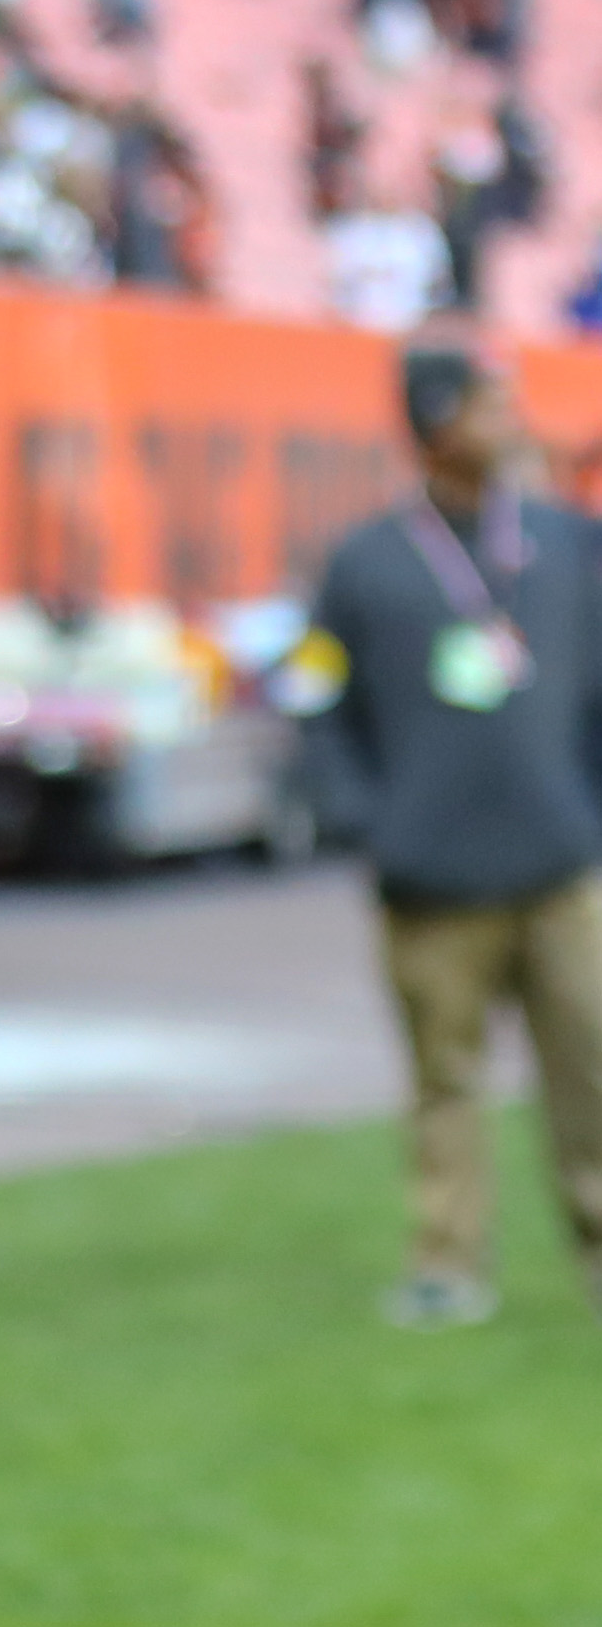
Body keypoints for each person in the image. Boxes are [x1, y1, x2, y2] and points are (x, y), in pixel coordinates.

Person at [294, 343, 602, 1330]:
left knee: (593, 1066)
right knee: (443, 1080)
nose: (511, 419)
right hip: (428, 875)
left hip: (562, 864)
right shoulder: (364, 560)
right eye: (487, 404)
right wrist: (362, 818)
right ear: (435, 422)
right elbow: (313, 698)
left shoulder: (568, 543)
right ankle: (445, 1261)